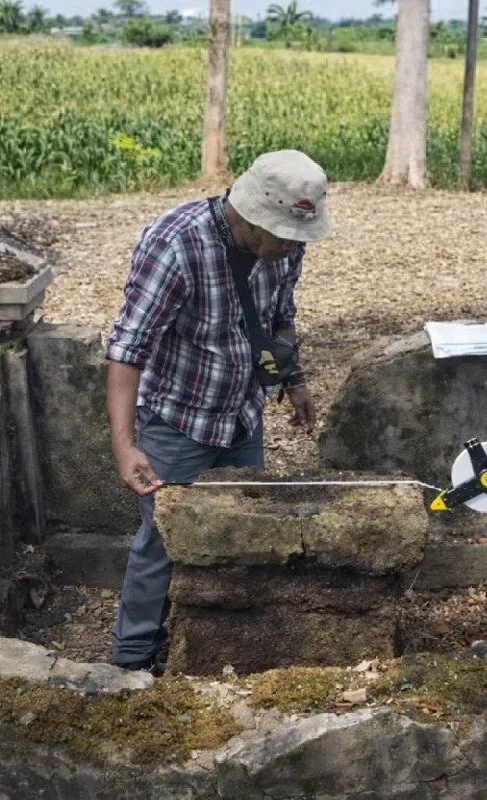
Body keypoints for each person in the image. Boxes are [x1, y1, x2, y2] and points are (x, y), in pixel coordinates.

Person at [104, 150, 333, 672]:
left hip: (241, 413)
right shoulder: (175, 245)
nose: (294, 248)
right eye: (284, 236)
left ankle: (216, 644)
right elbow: (126, 349)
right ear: (251, 216)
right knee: (161, 541)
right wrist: (124, 444)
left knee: (238, 531)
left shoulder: (285, 247)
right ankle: (133, 658)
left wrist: (292, 379)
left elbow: (280, 315)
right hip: (179, 418)